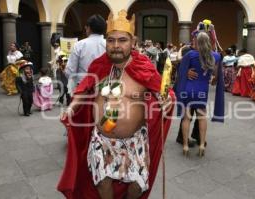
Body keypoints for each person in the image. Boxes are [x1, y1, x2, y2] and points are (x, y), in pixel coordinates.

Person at [57, 10, 174, 199]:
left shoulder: (144, 68)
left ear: (133, 42)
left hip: (135, 141)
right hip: (102, 140)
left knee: (136, 187)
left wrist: (167, 99)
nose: (116, 46)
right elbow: (83, 89)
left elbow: (164, 91)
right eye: (111, 40)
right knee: (103, 185)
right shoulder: (98, 66)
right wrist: (71, 108)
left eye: (122, 40)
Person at [175, 20, 224, 157]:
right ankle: (202, 145)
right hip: (202, 92)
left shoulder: (190, 55)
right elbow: (215, 76)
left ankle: (185, 146)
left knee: (186, 118)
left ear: (197, 41)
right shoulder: (216, 56)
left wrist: (185, 70)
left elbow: (178, 66)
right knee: (202, 117)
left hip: (187, 91)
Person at [65, 14, 107, 91]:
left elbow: (70, 71)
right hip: (104, 88)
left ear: (88, 28)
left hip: (83, 88)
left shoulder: (79, 45)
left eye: (86, 27)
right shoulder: (109, 45)